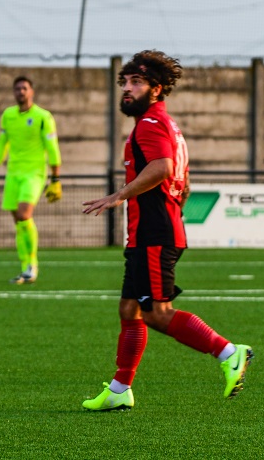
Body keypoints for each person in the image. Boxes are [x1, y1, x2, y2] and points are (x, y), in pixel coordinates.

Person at [80, 50, 253, 411]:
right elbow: (183, 180)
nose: (127, 89)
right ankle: (118, 389)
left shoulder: (152, 124)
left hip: (154, 233)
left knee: (157, 312)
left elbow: (162, 168)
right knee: (130, 309)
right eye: (124, 82)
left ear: (156, 89)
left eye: (137, 82)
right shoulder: (164, 124)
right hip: (153, 230)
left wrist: (120, 195)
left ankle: (228, 352)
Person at [0, 76, 62, 285]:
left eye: (24, 88)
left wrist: (55, 178)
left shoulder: (43, 116)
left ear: (31, 92)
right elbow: (3, 143)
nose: (21, 92)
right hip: (13, 174)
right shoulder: (8, 115)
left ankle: (32, 264)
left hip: (34, 174)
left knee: (24, 214)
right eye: (17, 89)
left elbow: (52, 148)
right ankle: (24, 265)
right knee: (18, 221)